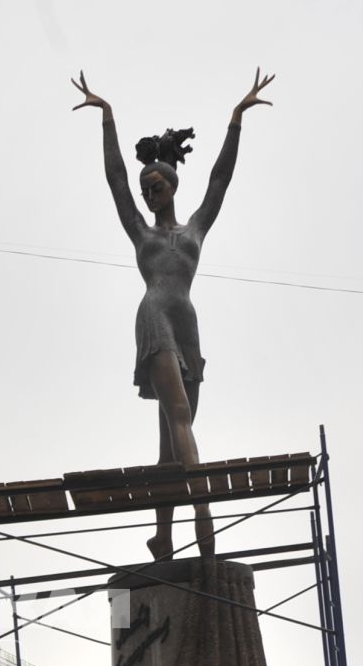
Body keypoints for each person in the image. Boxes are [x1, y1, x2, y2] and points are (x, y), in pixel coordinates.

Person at [71, 68, 276, 560]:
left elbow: (221, 180)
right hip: (154, 318)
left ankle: (163, 535)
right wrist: (108, 119)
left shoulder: (195, 231)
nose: (148, 192)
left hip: (187, 328)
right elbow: (116, 180)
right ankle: (205, 522)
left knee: (172, 443)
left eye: (156, 185)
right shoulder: (141, 235)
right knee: (181, 417)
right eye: (146, 188)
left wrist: (235, 121)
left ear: (172, 186)